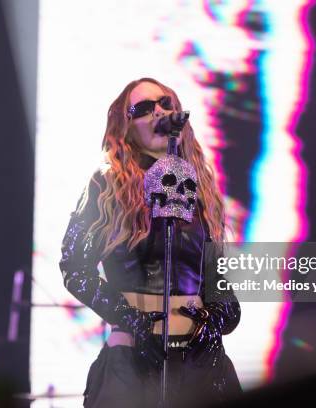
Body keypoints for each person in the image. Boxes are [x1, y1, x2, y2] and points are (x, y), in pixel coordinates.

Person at [59, 78, 242, 407]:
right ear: (126, 127)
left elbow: (219, 285)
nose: (158, 111)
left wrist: (217, 317)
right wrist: (131, 319)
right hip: (131, 361)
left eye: (165, 104)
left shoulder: (199, 188)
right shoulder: (107, 184)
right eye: (143, 108)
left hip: (201, 364)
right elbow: (75, 268)